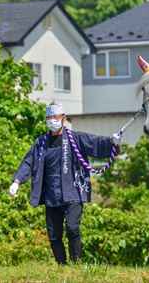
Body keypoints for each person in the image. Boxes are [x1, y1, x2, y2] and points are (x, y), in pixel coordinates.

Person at [8, 103, 121, 264]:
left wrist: (112, 141)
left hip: (73, 191)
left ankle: (76, 263)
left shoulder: (76, 138)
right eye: (49, 118)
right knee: (54, 235)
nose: (52, 121)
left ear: (63, 118)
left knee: (72, 228)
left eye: (55, 117)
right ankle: (62, 264)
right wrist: (17, 181)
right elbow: (28, 162)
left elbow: (95, 142)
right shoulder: (41, 142)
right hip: (51, 195)